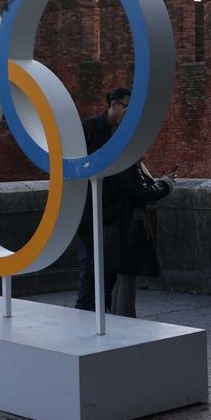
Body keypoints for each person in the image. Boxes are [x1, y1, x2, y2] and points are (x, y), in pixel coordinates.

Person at [74, 87, 131, 311]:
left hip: (112, 207)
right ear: (114, 104)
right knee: (90, 261)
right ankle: (84, 308)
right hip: (88, 207)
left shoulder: (122, 134)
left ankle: (104, 308)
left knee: (109, 264)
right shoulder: (88, 129)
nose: (129, 112)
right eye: (127, 106)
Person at [110, 158, 177, 317]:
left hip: (121, 225)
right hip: (128, 226)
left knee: (123, 278)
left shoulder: (118, 160)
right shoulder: (126, 162)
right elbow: (142, 193)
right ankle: (125, 325)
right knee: (127, 277)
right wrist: (165, 183)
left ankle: (117, 321)